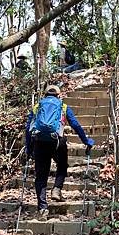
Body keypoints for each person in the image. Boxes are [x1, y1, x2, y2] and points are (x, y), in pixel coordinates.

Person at [25, 84, 95, 220]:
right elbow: (75, 124)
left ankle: (43, 209)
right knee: (62, 166)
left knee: (41, 176)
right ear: (59, 95)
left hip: (39, 143)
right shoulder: (63, 106)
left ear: (44, 95)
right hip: (57, 142)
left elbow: (28, 128)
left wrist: (29, 149)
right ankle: (57, 189)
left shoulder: (38, 106)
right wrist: (86, 141)